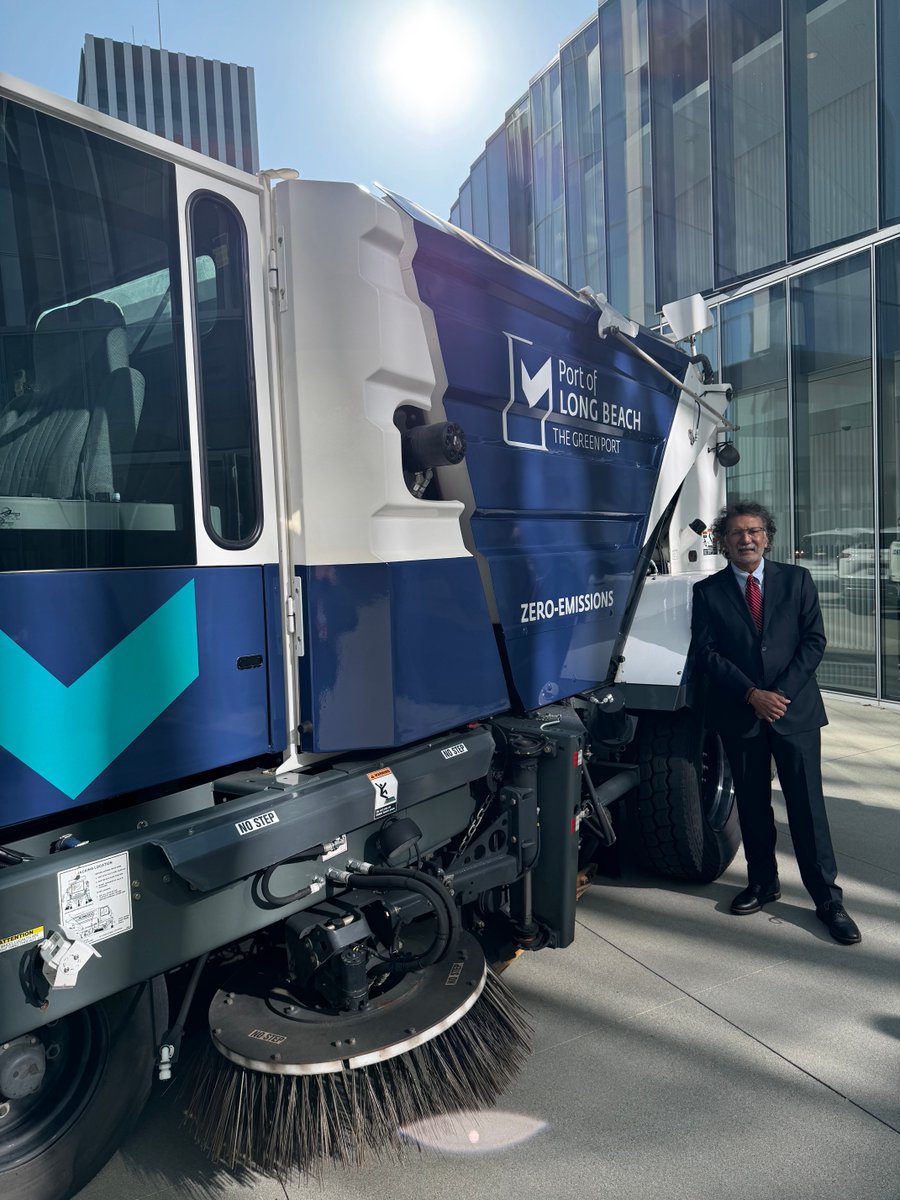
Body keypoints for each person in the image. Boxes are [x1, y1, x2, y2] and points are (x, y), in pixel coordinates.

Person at [690, 500, 861, 945]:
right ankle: (763, 883)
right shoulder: (707, 592)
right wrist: (751, 694)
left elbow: (814, 640)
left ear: (767, 537)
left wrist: (777, 696)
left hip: (794, 713)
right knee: (751, 806)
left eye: (754, 532)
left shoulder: (797, 580)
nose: (746, 539)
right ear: (723, 543)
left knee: (807, 809)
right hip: (741, 715)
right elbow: (706, 654)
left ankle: (827, 899)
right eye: (736, 533)